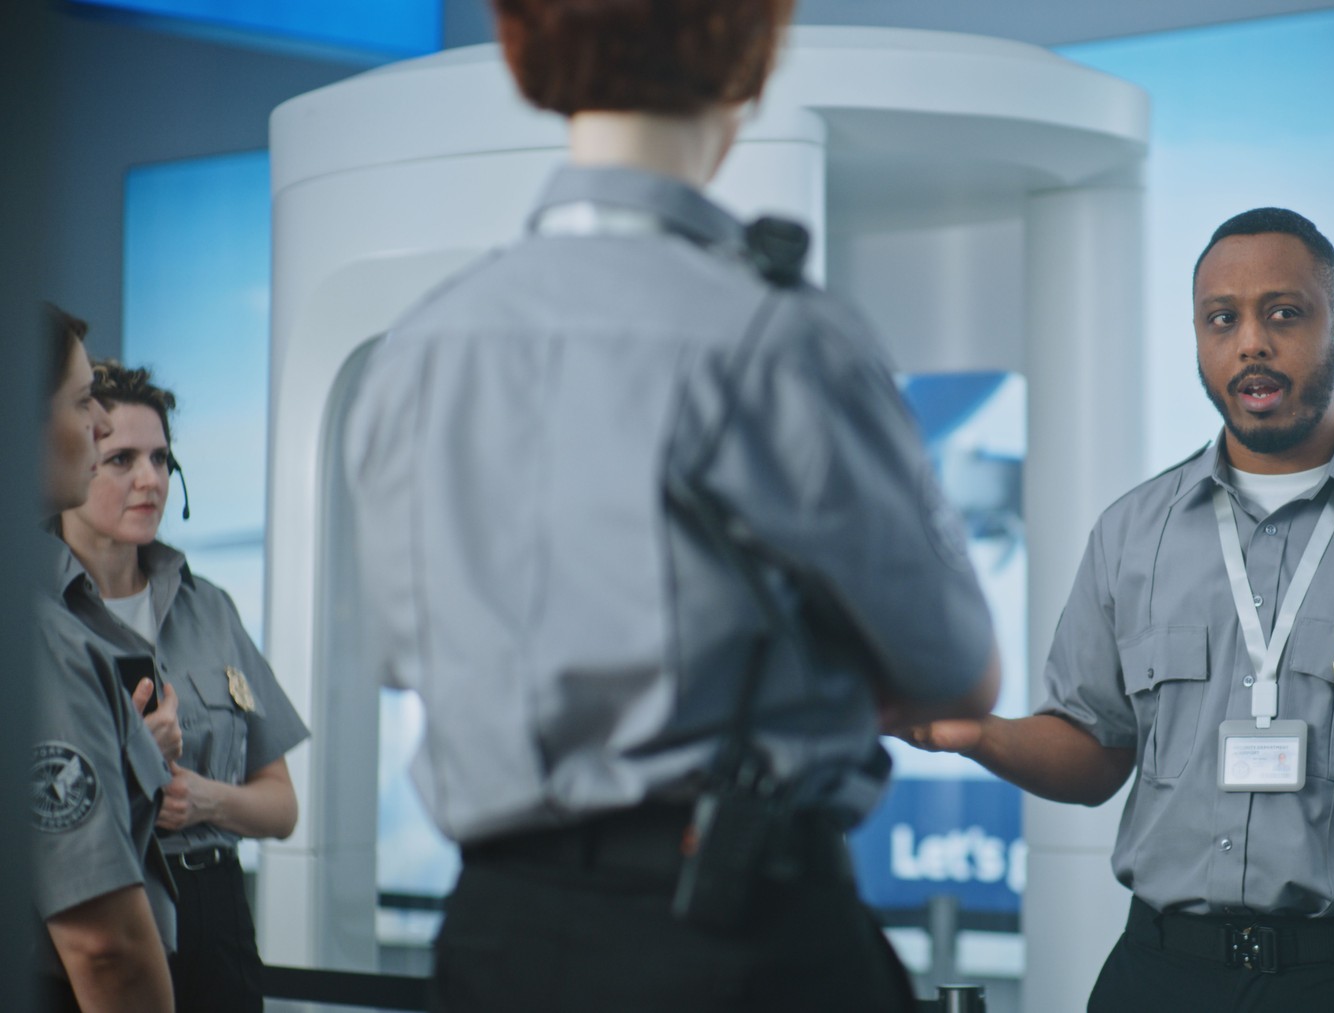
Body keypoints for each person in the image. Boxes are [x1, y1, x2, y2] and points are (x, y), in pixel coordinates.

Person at [340, 1, 1000, 1010]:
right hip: (737, 933)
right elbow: (959, 669)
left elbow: (405, 653)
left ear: (524, 47)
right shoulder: (778, 338)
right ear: (747, 55)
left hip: (495, 939)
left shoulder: (416, 350)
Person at [903, 209, 1334, 1012]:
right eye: (1221, 319)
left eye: (1284, 313)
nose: (1251, 342)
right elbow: (1094, 750)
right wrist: (973, 734)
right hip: (1159, 973)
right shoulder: (1134, 531)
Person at [57, 362, 309, 1013]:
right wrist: (132, 760)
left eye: (162, 458)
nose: (151, 479)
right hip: (102, 913)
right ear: (75, 461)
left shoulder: (212, 608)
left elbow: (281, 808)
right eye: (121, 459)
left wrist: (202, 798)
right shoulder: (39, 618)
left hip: (217, 914)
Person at [30, 304, 177, 1013]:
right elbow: (105, 950)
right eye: (82, 400)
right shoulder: (42, 640)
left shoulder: (208, 607)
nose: (97, 423)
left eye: (159, 457)